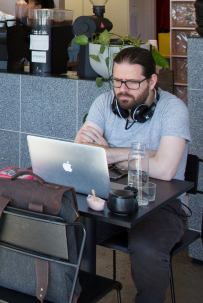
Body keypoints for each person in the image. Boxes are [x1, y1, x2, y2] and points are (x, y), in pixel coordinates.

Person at [75, 46, 190, 303]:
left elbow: (165, 170)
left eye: (132, 82)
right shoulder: (104, 103)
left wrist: (109, 153)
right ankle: (69, 294)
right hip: (109, 197)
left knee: (146, 248)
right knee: (67, 231)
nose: (122, 89)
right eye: (117, 81)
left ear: (152, 81)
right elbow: (81, 152)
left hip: (162, 205)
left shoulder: (173, 110)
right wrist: (142, 155)